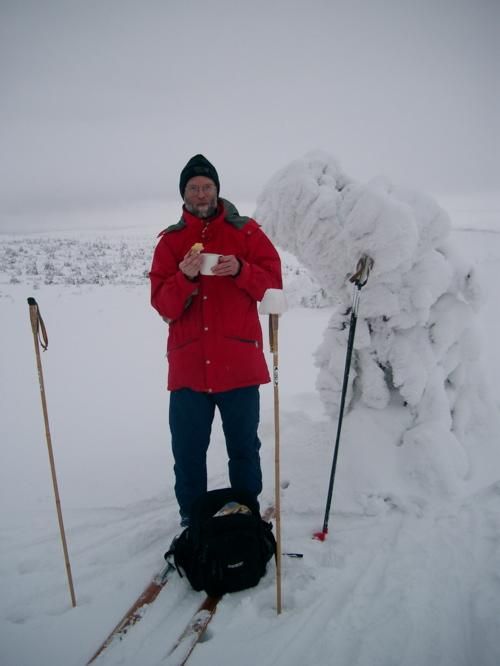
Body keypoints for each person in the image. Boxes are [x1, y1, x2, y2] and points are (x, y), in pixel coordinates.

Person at [150, 154, 282, 526]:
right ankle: (194, 524)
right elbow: (163, 304)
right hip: (189, 369)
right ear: (184, 194)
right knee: (188, 453)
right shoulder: (171, 243)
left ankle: (246, 517)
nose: (201, 193)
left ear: (217, 190)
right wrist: (184, 277)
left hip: (238, 365)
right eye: (194, 187)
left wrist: (241, 269)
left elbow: (273, 286)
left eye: (207, 186)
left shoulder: (246, 232)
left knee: (243, 449)